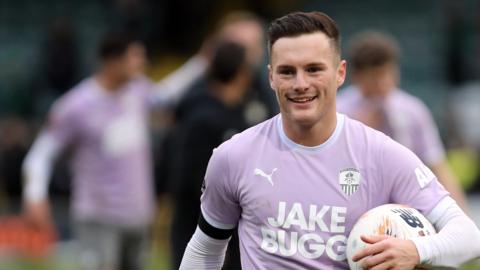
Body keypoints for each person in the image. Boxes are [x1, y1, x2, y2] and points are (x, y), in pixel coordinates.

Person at [179, 11, 480, 269]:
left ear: (340, 73)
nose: (300, 84)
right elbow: (206, 248)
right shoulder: (234, 156)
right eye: (287, 71)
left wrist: (415, 250)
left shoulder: (381, 154)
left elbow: (469, 236)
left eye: (313, 69)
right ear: (271, 77)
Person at [22, 30, 156, 270]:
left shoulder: (139, 90)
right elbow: (41, 154)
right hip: (98, 216)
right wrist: (35, 195)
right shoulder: (75, 106)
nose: (142, 64)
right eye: (135, 57)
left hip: (139, 215)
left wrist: (203, 62)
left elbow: (172, 93)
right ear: (114, 62)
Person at [337, 31, 468, 210]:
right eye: (374, 77)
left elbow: (438, 166)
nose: (383, 83)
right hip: (352, 207)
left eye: (388, 74)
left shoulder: (413, 110)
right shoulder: (338, 112)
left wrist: (465, 219)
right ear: (356, 77)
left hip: (408, 209)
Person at [169, 41, 251, 269]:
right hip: (201, 226)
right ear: (242, 73)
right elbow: (191, 180)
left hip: (233, 228)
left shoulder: (242, 113)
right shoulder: (201, 117)